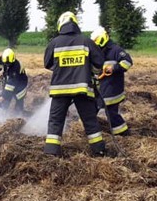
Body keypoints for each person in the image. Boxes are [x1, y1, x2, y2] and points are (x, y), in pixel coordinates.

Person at [43, 11, 108, 157]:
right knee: (90, 120)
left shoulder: (54, 42)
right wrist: (89, 70)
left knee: (55, 121)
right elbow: (99, 63)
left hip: (60, 91)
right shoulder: (86, 41)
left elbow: (47, 64)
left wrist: (62, 68)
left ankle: (51, 153)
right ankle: (99, 150)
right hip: (82, 89)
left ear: (61, 25)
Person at [90, 27, 133, 136]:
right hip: (100, 88)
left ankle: (123, 132)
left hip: (112, 89)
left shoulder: (116, 50)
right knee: (91, 108)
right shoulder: (97, 51)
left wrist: (114, 68)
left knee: (111, 113)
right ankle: (89, 129)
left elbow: (127, 62)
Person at [0, 48, 29, 114]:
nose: (7, 65)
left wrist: (3, 96)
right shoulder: (2, 59)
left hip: (20, 83)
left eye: (9, 64)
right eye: (6, 64)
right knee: (4, 100)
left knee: (18, 99)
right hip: (10, 80)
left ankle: (19, 116)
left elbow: (11, 84)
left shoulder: (16, 66)